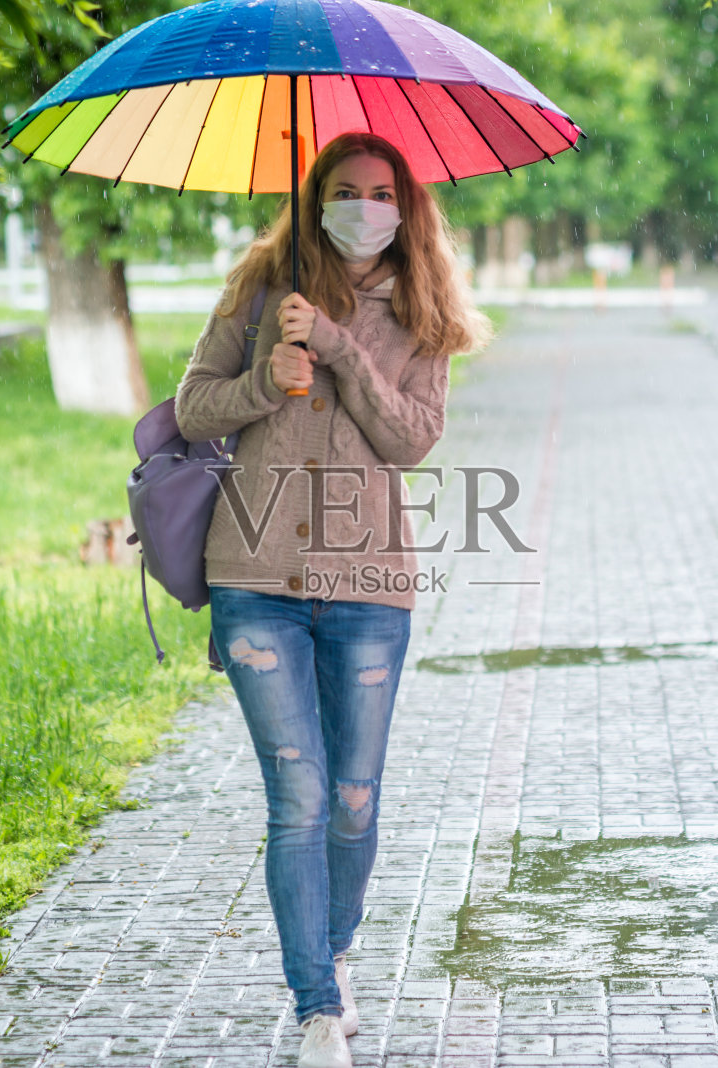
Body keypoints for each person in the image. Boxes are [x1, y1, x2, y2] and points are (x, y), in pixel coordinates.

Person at [173, 132, 491, 1068]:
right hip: (255, 579)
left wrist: (344, 350)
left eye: (380, 192)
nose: (364, 206)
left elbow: (411, 442)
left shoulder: (425, 314)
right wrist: (263, 381)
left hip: (369, 586)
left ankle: (336, 948)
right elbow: (192, 408)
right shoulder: (261, 290)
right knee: (300, 796)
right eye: (344, 191)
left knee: (353, 798)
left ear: (406, 206)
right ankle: (316, 1006)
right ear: (315, 201)